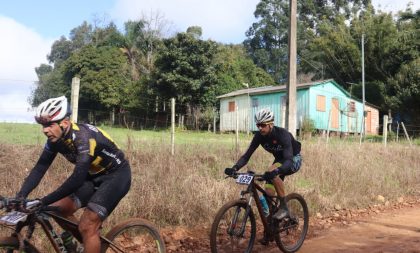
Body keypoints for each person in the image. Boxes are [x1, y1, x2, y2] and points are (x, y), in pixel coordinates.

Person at [16, 96, 131, 253]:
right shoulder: (54, 140)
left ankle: (89, 235)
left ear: (64, 123)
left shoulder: (83, 139)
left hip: (116, 176)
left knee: (87, 226)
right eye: (43, 125)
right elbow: (40, 168)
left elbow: (77, 179)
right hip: (92, 176)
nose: (45, 130)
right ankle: (88, 244)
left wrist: (43, 200)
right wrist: (21, 195)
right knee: (58, 210)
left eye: (49, 125)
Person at [224, 108, 302, 243]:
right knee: (268, 194)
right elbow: (247, 155)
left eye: (263, 125)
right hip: (279, 161)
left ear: (271, 124)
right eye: (258, 125)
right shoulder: (259, 136)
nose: (260, 128)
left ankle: (284, 207)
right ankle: (270, 231)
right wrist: (235, 168)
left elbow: (288, 160)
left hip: (293, 159)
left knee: (272, 170)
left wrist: (276, 171)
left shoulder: (282, 134)